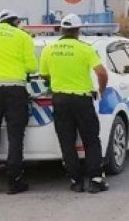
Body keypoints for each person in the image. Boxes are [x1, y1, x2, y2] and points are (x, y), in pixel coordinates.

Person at [39, 14, 109, 194]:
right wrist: (101, 90)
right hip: (82, 100)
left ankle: (76, 181)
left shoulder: (49, 49)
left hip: (60, 100)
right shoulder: (85, 49)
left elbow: (44, 75)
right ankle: (95, 180)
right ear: (78, 31)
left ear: (61, 30)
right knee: (91, 139)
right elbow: (101, 73)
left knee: (66, 141)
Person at [0, 9, 37, 195]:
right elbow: (31, 67)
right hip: (15, 89)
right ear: (16, 22)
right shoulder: (22, 36)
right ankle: (14, 182)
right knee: (15, 136)